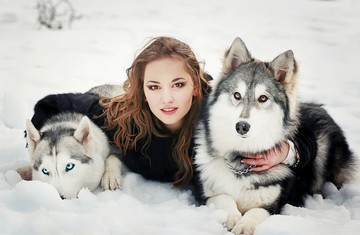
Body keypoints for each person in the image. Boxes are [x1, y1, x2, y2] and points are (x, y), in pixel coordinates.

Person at [27, 36, 316, 195]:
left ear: (195, 84)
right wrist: (40, 151)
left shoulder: (218, 111)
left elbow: (301, 131)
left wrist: (288, 152)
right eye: (154, 87)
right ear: (141, 90)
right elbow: (49, 105)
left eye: (178, 85)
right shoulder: (118, 116)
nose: (166, 98)